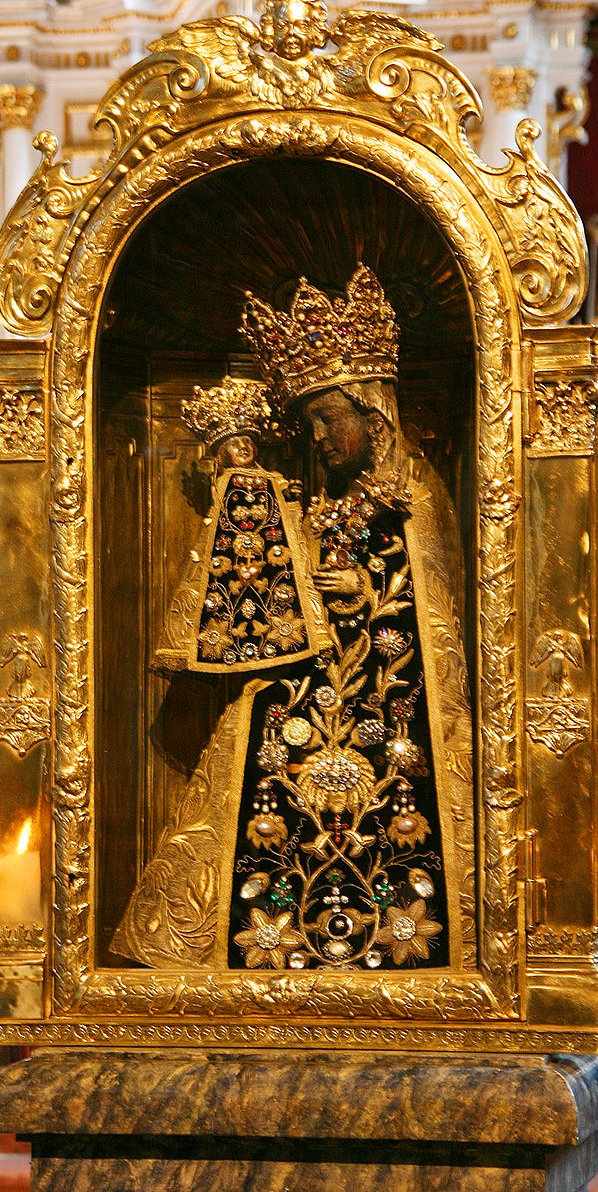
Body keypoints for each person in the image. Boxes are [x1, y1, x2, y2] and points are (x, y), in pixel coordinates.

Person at [112, 268, 475, 973]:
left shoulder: (417, 494)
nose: (318, 437)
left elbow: (439, 608)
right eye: (309, 424)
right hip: (302, 696)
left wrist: (369, 587)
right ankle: (250, 943)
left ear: (373, 414)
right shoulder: (319, 500)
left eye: (328, 419)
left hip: (394, 709)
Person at [153, 375, 329, 675]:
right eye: (235, 443)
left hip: (274, 566)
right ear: (222, 452)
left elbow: (285, 518)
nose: (244, 448)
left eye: (247, 442)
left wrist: (290, 498)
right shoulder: (225, 484)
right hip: (231, 567)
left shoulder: (273, 480)